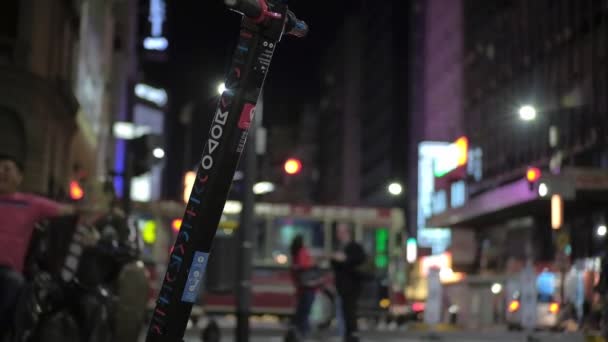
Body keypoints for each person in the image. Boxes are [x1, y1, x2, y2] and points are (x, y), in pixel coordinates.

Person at [0, 155, 77, 329]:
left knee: (13, 284)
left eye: (6, 169)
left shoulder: (29, 204)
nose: (0, 172)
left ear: (20, 177)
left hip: (8, 271)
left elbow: (66, 211)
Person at [331, 224, 366, 342]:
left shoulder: (354, 246)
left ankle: (352, 335)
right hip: (341, 285)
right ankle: (346, 334)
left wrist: (345, 259)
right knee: (343, 312)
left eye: (340, 232)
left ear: (347, 233)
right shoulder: (339, 247)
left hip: (352, 285)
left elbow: (360, 260)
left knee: (350, 311)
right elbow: (335, 266)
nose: (338, 234)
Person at [289, 234, 320, 339]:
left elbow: (297, 268)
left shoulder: (294, 253)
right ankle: (305, 334)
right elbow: (305, 265)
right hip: (308, 287)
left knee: (301, 312)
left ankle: (299, 333)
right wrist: (313, 263)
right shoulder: (302, 251)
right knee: (305, 313)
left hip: (301, 287)